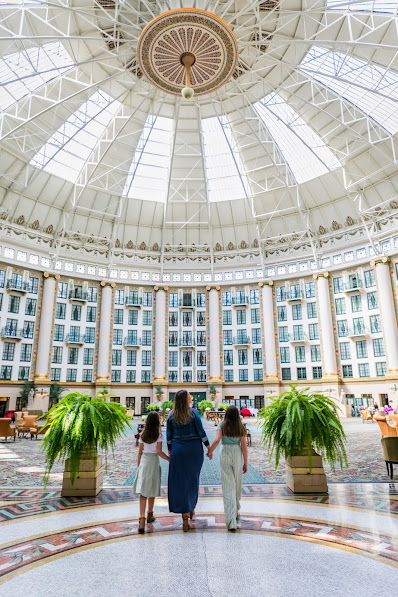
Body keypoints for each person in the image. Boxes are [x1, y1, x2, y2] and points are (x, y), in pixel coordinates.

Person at [167, 389, 211, 532]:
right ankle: (191, 508)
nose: (191, 397)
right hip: (194, 450)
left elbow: (168, 436)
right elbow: (201, 432)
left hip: (178, 450)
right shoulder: (194, 414)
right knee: (193, 479)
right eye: (189, 396)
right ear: (185, 400)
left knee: (179, 482)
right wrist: (209, 448)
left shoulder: (171, 416)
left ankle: (185, 516)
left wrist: (170, 451)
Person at [207, 405, 248, 532]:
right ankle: (235, 511)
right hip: (237, 454)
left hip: (225, 452)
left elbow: (217, 440)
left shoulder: (222, 425)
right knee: (236, 484)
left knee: (227, 485)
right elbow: (244, 447)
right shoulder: (240, 427)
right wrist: (245, 463)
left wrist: (210, 452)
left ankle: (231, 520)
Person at [133, 411, 169, 535]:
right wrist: (169, 459)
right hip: (153, 462)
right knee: (152, 489)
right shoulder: (158, 434)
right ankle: (150, 514)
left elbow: (139, 452)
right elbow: (159, 451)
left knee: (143, 491)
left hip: (144, 462)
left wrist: (139, 465)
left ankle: (141, 518)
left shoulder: (143, 434)